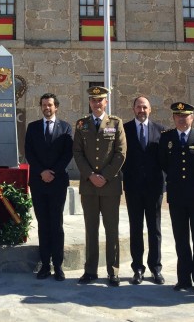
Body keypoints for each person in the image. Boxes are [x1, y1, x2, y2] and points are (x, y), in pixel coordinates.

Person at [73, 86, 126, 286]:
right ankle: (90, 270)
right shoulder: (81, 124)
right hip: (89, 186)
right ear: (90, 103)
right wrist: (90, 175)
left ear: (106, 102)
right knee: (91, 229)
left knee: (111, 229)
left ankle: (113, 271)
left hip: (110, 185)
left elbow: (121, 153)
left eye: (100, 100)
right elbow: (77, 152)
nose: (96, 104)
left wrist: (104, 176)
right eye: (93, 101)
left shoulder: (116, 123)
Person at [158, 102, 194, 293]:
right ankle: (183, 279)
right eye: (178, 116)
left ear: (192, 117)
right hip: (177, 197)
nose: (182, 119)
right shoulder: (167, 138)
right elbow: (163, 162)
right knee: (181, 239)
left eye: (185, 115)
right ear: (173, 118)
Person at [24, 93, 74, 281]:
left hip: (57, 182)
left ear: (56, 107)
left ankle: (58, 265)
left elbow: (67, 153)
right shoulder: (33, 127)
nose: (47, 108)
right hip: (38, 182)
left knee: (56, 223)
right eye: (44, 104)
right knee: (43, 224)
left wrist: (52, 172)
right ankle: (45, 265)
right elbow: (29, 152)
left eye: (50, 105)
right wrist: (41, 172)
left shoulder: (66, 127)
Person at [122, 95, 166, 286]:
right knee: (136, 228)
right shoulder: (124, 129)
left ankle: (155, 268)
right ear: (133, 109)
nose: (142, 110)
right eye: (138, 107)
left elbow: (164, 160)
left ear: (150, 110)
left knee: (154, 229)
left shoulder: (161, 131)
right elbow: (121, 156)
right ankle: (138, 268)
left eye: (145, 107)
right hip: (133, 188)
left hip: (154, 189)